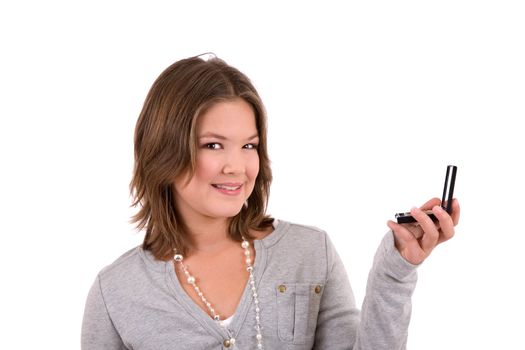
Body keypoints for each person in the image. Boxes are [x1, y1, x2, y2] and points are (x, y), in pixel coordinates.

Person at [81, 54, 460, 350]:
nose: (237, 166)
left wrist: (396, 269)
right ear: (164, 150)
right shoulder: (116, 293)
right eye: (213, 145)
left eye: (249, 145)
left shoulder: (310, 252)